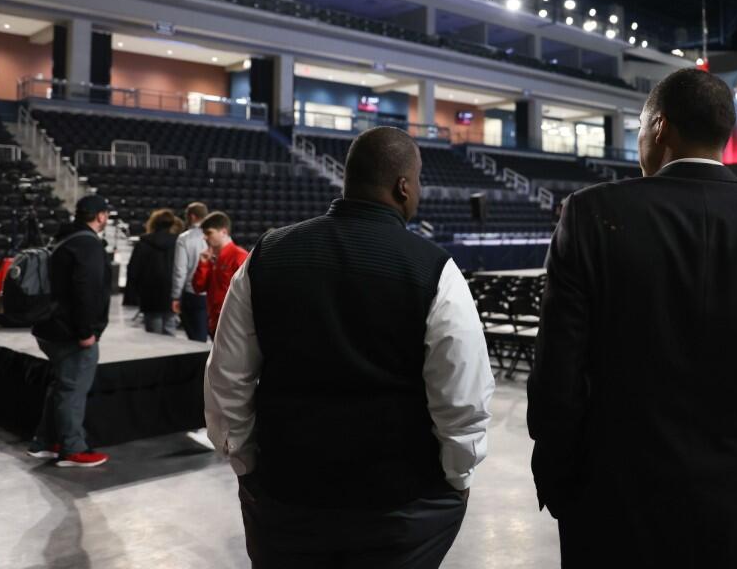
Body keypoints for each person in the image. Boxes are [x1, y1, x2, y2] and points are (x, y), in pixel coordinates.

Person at [528, 68, 737, 568]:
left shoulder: (590, 215)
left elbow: (556, 376)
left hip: (612, 509)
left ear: (659, 127)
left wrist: (561, 485)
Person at [204, 126, 494, 569]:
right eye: (417, 182)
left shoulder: (266, 256)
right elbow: (462, 397)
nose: (418, 192)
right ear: (403, 186)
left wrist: (247, 466)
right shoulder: (435, 270)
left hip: (288, 495)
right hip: (397, 504)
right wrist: (456, 478)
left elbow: (227, 379)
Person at [26, 194, 115, 468]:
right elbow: (85, 291)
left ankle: (46, 442)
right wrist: (85, 330)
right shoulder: (87, 245)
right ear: (100, 216)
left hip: (49, 326)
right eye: (106, 215)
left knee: (61, 386)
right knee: (72, 390)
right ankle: (72, 449)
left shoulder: (63, 238)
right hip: (71, 331)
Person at [192, 211, 247, 339]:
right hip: (215, 322)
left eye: (208, 233)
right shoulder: (211, 258)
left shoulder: (240, 256)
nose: (205, 238)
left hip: (233, 326)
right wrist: (203, 264)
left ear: (223, 232)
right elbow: (198, 287)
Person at [127, 208, 183, 335]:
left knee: (153, 336)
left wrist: (131, 295)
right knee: (170, 332)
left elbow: (133, 270)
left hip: (149, 294)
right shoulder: (179, 242)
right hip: (171, 293)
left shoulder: (143, 243)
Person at [171, 202, 209, 342]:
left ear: (192, 216)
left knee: (196, 340)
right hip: (213, 293)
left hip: (192, 293)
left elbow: (180, 270)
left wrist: (175, 296)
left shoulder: (184, 238)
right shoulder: (217, 235)